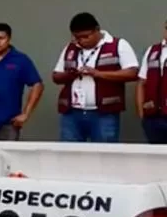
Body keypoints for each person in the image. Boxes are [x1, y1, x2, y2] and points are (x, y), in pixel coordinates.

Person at [52, 12, 138, 142]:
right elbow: (56, 77)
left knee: (104, 155)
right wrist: (71, 74)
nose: (82, 40)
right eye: (77, 37)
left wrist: (98, 74)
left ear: (97, 30)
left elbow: (132, 73)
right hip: (72, 113)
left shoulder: (117, 44)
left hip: (104, 113)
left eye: (86, 36)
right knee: (69, 155)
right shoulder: (70, 48)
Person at [137, 20, 167, 143]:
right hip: (153, 117)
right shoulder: (153, 50)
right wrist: (141, 113)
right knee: (156, 159)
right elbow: (142, 83)